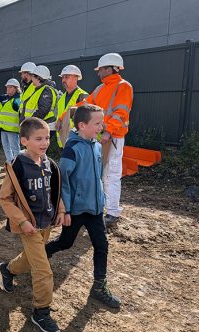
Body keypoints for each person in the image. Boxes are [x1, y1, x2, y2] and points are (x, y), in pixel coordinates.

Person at [44, 104, 122, 308]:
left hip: (94, 209)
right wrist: (66, 209)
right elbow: (62, 179)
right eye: (97, 123)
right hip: (76, 210)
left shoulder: (96, 145)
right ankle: (40, 255)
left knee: (102, 245)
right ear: (82, 125)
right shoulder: (72, 148)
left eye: (101, 122)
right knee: (65, 243)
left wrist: (101, 200)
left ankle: (98, 287)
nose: (101, 126)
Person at [0, 117, 65, 332]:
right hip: (29, 227)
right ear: (24, 141)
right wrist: (23, 221)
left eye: (47, 137)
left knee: (30, 258)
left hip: (47, 224)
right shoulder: (18, 166)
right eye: (38, 139)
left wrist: (61, 212)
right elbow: (4, 199)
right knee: (43, 270)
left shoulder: (49, 163)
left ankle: (7, 270)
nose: (45, 142)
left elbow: (55, 190)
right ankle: (41, 312)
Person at [78, 53, 133, 226]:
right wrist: (64, 116)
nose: (98, 73)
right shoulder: (100, 88)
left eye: (100, 69)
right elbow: (84, 105)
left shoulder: (123, 86)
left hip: (113, 137)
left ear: (109, 68)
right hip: (100, 137)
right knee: (99, 174)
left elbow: (121, 113)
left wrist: (108, 131)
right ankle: (100, 209)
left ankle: (113, 213)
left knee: (111, 175)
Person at [55, 65, 88, 148]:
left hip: (78, 141)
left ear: (76, 78)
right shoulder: (62, 98)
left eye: (66, 77)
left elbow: (87, 120)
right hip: (64, 141)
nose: (63, 80)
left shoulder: (82, 96)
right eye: (62, 78)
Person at [20, 65, 57, 131]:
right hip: (39, 126)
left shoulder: (46, 90)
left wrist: (30, 122)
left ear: (38, 78)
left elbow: (43, 110)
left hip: (45, 127)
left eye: (33, 76)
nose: (31, 78)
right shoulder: (39, 90)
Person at [0, 78, 22, 163]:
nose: (8, 89)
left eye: (10, 87)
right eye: (7, 87)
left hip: (12, 130)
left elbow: (18, 106)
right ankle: (9, 163)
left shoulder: (18, 99)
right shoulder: (4, 98)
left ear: (16, 88)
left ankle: (17, 165)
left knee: (15, 148)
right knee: (6, 147)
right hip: (3, 128)